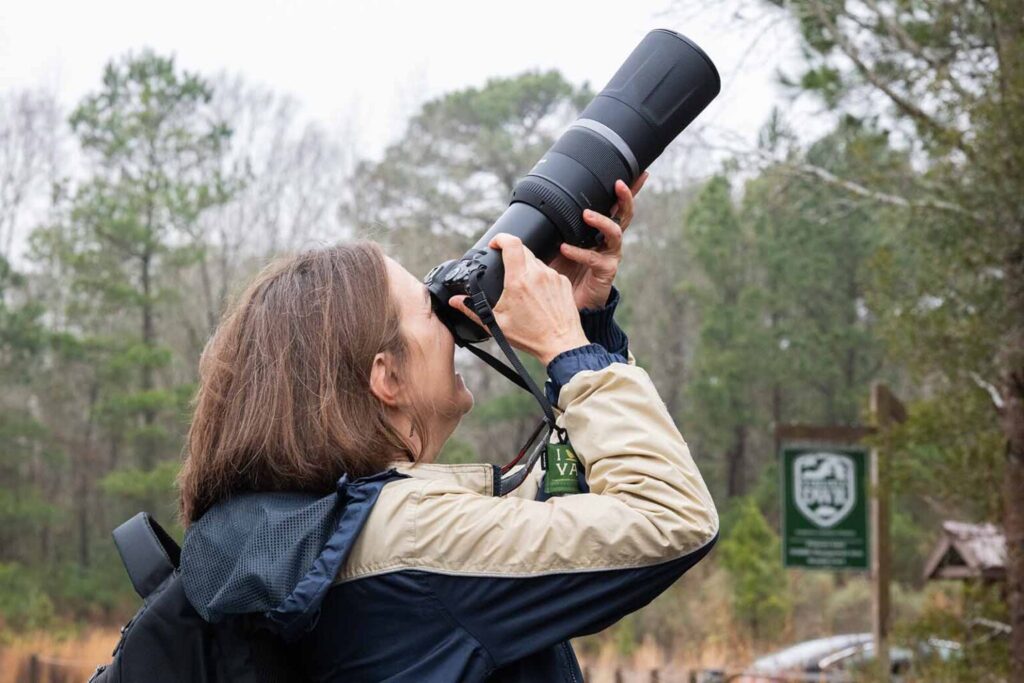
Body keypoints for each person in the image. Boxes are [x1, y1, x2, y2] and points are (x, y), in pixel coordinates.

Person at [177, 176, 718, 682]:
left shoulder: (300, 532)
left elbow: (580, 509)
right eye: (430, 309)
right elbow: (668, 516)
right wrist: (565, 347)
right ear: (385, 376)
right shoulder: (411, 534)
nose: (454, 321)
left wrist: (586, 325)